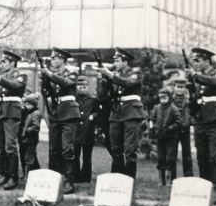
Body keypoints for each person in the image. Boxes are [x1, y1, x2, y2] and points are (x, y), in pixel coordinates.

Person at [185, 47, 216, 204]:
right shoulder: (198, 77)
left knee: (214, 156)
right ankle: (205, 187)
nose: (196, 64)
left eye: (198, 61)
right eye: (194, 61)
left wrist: (194, 76)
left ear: (207, 60)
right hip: (200, 119)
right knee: (202, 156)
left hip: (214, 119)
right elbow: (196, 96)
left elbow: (215, 82)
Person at [97, 48, 146, 180]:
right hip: (116, 113)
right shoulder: (114, 75)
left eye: (118, 61)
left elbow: (128, 83)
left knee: (130, 150)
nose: (115, 64)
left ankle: (129, 180)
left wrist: (110, 75)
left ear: (125, 62)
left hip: (131, 112)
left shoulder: (135, 73)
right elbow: (102, 96)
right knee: (115, 149)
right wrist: (103, 80)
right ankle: (116, 179)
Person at [40, 48, 81, 193]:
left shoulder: (72, 72)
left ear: (62, 59)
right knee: (54, 149)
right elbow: (46, 92)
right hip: (56, 113)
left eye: (55, 58)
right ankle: (53, 178)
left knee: (66, 149)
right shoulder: (53, 74)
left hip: (69, 113)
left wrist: (49, 75)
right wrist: (44, 80)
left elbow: (66, 83)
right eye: (52, 59)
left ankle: (69, 180)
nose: (53, 61)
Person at [0, 50, 27, 190]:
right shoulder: (1, 76)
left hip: (11, 111)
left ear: (13, 62)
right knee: (1, 146)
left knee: (10, 145)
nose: (2, 64)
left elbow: (14, 86)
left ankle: (13, 176)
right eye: (1, 62)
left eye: (4, 61)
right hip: (0, 111)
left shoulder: (20, 75)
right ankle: (4, 174)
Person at [149, 87, 182, 186]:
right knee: (160, 159)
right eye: (161, 97)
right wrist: (153, 128)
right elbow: (151, 119)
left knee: (171, 159)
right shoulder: (157, 108)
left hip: (171, 138)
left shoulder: (174, 108)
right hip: (160, 137)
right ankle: (161, 180)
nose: (162, 99)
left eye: (165, 97)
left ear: (169, 97)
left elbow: (179, 122)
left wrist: (171, 128)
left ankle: (171, 180)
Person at [74, 75, 100, 183]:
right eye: (80, 86)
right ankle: (75, 176)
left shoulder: (93, 100)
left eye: (84, 86)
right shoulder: (73, 99)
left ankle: (85, 177)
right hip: (75, 131)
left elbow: (98, 112)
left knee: (86, 156)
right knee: (75, 155)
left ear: (88, 87)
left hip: (87, 130)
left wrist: (93, 116)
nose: (82, 88)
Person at [170, 78, 194, 176]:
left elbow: (192, 112)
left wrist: (188, 121)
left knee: (187, 153)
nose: (179, 89)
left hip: (185, 128)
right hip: (173, 128)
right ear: (174, 87)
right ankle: (172, 176)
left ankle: (188, 175)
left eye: (182, 87)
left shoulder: (188, 100)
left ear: (185, 88)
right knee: (172, 153)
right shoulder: (170, 99)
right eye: (177, 87)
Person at [20, 94, 42, 177]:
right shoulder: (29, 113)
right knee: (32, 156)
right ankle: (37, 172)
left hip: (31, 139)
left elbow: (36, 126)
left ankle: (28, 176)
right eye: (26, 104)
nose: (26, 106)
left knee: (29, 158)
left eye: (28, 104)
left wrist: (28, 131)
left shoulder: (35, 113)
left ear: (34, 104)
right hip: (27, 138)